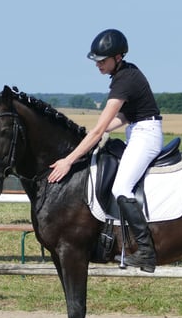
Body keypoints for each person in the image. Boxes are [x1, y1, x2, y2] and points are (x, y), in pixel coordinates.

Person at [48, 29, 163, 272]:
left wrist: (69, 160)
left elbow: (102, 128)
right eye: (96, 61)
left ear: (118, 57)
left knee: (121, 187)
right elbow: (123, 117)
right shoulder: (125, 73)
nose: (98, 65)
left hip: (146, 135)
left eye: (102, 60)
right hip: (138, 130)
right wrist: (93, 132)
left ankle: (145, 251)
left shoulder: (125, 79)